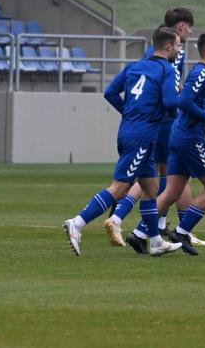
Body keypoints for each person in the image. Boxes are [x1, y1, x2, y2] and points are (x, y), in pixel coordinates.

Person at [63, 27, 183, 257]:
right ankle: (77, 223)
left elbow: (110, 92)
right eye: (177, 45)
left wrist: (129, 112)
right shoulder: (167, 69)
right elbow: (169, 102)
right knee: (120, 187)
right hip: (143, 136)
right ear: (168, 47)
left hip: (128, 131)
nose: (179, 50)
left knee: (150, 188)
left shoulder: (134, 66)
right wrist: (182, 105)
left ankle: (156, 242)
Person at [125, 33, 205, 256]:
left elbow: (195, 106)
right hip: (190, 139)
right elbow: (184, 101)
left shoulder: (203, 73)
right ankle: (183, 231)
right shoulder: (201, 73)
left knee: (173, 191)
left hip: (180, 137)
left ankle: (138, 234)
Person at [104, 8, 205, 248]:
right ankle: (180, 230)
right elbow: (170, 90)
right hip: (161, 122)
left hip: (145, 122)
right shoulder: (174, 53)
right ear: (180, 27)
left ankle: (155, 227)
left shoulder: (152, 50)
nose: (190, 32)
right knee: (174, 176)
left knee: (154, 177)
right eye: (189, 27)